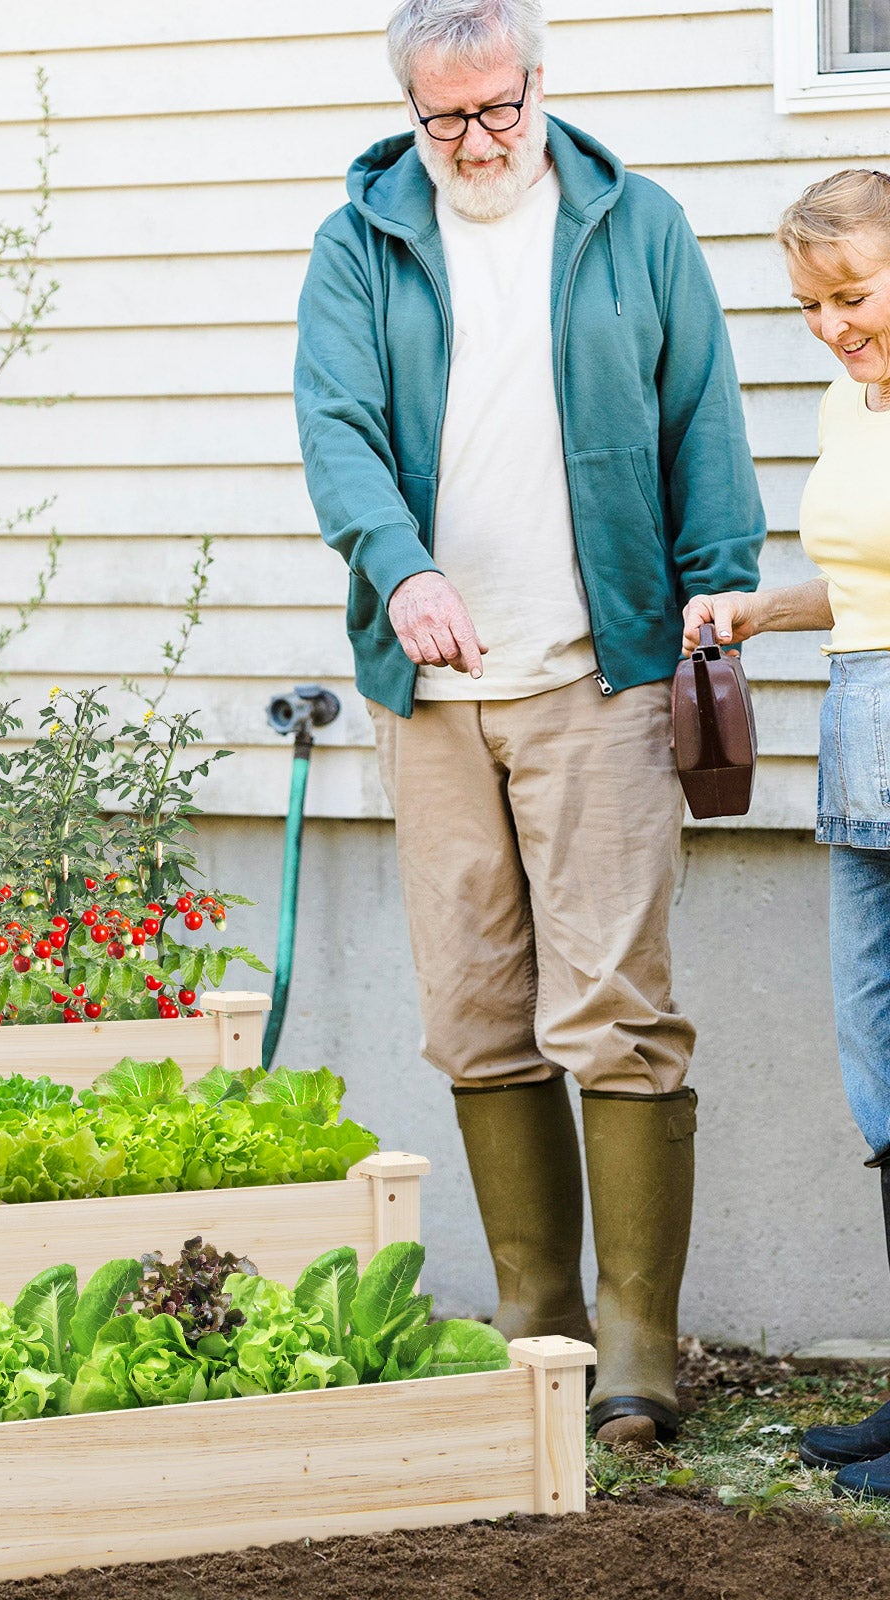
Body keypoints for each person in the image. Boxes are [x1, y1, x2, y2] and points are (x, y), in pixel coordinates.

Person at [293, 0, 767, 1445]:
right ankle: (536, 1326)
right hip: (433, 696)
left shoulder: (638, 226)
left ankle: (637, 1349)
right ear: (412, 112)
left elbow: (703, 418)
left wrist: (717, 588)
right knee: (475, 1014)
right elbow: (336, 429)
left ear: (540, 86)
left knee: (614, 1011)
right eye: (445, 118)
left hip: (598, 674)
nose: (477, 141)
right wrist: (403, 569)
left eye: (498, 108)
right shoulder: (360, 241)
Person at [684, 169, 890, 1497]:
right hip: (863, 741)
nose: (831, 327)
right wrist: (763, 610)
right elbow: (868, 580)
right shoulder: (846, 402)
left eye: (852, 295)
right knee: (879, 1068)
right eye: (812, 305)